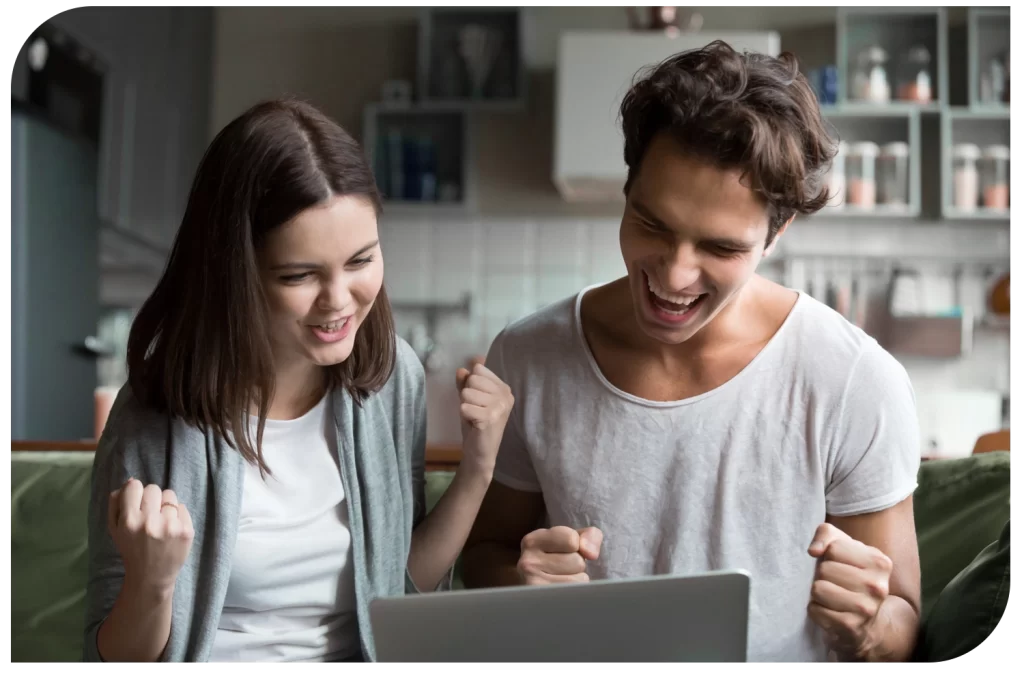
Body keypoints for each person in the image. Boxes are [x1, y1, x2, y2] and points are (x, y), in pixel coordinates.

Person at [461, 41, 922, 664]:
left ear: (776, 233)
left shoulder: (852, 380)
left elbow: (903, 622)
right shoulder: (528, 356)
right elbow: (484, 550)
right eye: (652, 224)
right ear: (627, 192)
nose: (674, 276)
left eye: (720, 248)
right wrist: (524, 583)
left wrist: (869, 624)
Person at [83, 98, 514, 664]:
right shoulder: (156, 410)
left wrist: (479, 467)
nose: (339, 301)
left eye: (361, 261)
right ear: (233, 272)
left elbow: (400, 592)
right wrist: (153, 584)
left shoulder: (391, 379)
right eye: (300, 275)